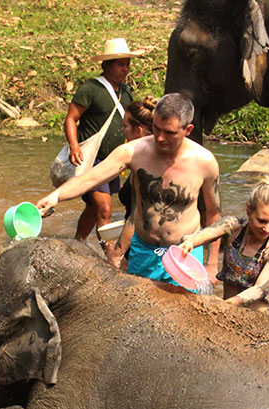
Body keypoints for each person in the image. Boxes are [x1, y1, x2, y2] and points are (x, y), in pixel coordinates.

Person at [37, 93, 221, 284]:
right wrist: (56, 195)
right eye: (156, 129)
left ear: (188, 129)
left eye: (169, 133)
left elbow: (213, 213)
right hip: (144, 251)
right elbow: (90, 178)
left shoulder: (204, 162)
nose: (159, 138)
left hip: (185, 251)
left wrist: (212, 264)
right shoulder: (133, 152)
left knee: (185, 309)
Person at [65, 38, 142, 248]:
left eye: (127, 64)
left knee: (93, 208)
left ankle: (77, 244)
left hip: (114, 160)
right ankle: (110, 257)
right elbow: (71, 118)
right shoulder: (90, 89)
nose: (125, 69)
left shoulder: (125, 92)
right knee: (105, 208)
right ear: (106, 65)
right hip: (93, 160)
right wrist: (74, 146)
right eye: (120, 64)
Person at [178, 178, 269, 314]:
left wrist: (231, 303)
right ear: (248, 210)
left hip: (258, 314)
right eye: (261, 221)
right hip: (228, 307)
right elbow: (207, 233)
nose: (266, 228)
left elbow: (260, 288)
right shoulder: (234, 227)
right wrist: (190, 242)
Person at [107, 97, 157, 268]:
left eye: (125, 125)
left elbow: (135, 217)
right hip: (142, 245)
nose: (122, 130)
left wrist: (116, 254)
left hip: (141, 249)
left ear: (138, 131)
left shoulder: (143, 166)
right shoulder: (152, 158)